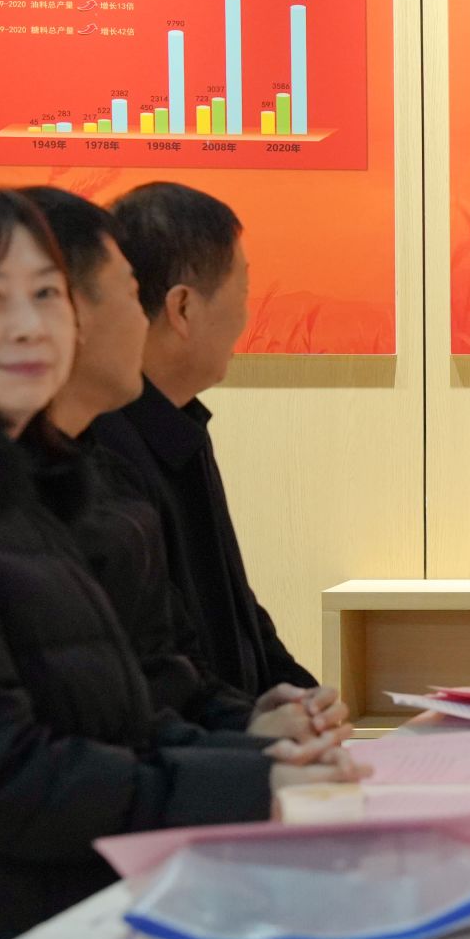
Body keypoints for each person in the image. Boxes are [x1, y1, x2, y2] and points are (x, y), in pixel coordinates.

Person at [0, 189, 356, 939]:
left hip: (99, 918)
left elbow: (133, 715)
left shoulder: (34, 498)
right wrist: (248, 778)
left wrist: (259, 759)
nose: (32, 325)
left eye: (47, 295)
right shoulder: (22, 499)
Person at [22, 186, 346, 740]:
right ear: (184, 308)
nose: (138, 319)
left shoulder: (177, 427)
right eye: (129, 296)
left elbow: (227, 617)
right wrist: (248, 743)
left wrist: (293, 702)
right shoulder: (95, 461)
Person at [88, 182, 319, 700]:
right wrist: (253, 725)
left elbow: (236, 609)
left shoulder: (180, 422)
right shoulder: (104, 452)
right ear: (184, 308)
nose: (245, 316)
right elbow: (164, 661)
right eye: (243, 294)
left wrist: (306, 699)